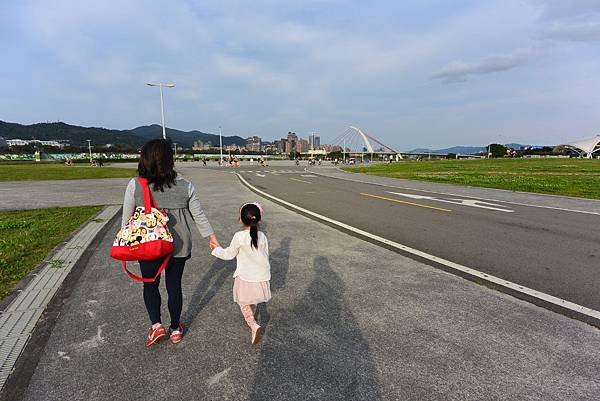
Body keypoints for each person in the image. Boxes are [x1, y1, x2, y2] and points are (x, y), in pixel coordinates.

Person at [121, 139, 220, 346]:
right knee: (174, 285)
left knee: (150, 283)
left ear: (144, 159)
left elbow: (127, 217)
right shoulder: (185, 185)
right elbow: (198, 215)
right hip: (179, 245)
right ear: (170, 160)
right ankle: (175, 329)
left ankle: (156, 326)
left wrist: (126, 242)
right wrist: (211, 237)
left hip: (147, 243)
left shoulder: (135, 185)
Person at [210, 203, 270, 345]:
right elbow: (266, 255)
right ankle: (252, 317)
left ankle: (253, 324)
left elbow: (228, 255)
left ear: (241, 220)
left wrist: (215, 249)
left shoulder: (239, 236)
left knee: (243, 301)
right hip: (261, 276)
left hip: (245, 276)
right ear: (258, 219)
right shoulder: (262, 236)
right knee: (252, 299)